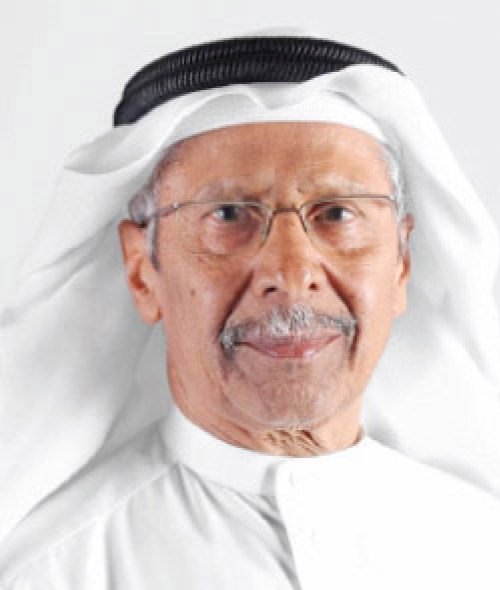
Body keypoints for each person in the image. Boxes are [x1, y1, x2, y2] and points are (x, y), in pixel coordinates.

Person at [1, 31, 500, 589]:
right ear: (142, 270)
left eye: (337, 213)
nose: (291, 272)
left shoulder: (480, 548)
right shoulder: (54, 570)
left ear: (402, 265)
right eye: (229, 214)